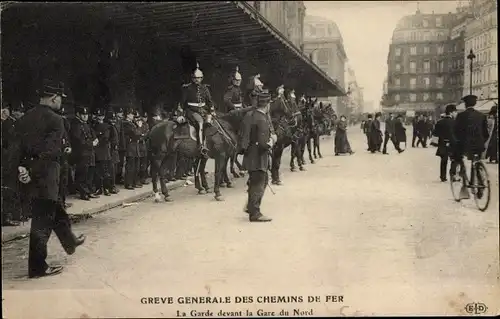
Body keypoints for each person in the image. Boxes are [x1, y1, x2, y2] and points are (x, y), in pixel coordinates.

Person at [7, 79, 85, 278]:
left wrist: (21, 169)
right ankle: (37, 267)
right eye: (60, 99)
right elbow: (50, 153)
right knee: (42, 223)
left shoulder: (24, 118)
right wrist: (32, 171)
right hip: (46, 176)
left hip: (28, 176)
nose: (61, 103)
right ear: (54, 98)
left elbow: (14, 149)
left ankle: (69, 241)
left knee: (55, 208)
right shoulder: (56, 120)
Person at [239, 90, 276, 222]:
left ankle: (250, 207)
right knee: (259, 182)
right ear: (267, 105)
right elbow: (262, 143)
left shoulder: (250, 115)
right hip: (259, 156)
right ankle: (255, 213)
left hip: (250, 155)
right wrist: (272, 141)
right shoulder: (262, 119)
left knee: (256, 181)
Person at [451, 95, 490, 195]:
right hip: (479, 145)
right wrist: (481, 141)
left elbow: (455, 131)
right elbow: (486, 134)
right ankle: (480, 182)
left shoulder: (461, 116)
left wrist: (457, 142)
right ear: (475, 104)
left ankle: (464, 181)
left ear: (465, 104)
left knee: (459, 158)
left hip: (465, 145)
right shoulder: (482, 115)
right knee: (476, 161)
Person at [179, 62, 215, 154]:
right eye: (195, 78)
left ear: (202, 78)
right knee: (200, 122)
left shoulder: (205, 88)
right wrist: (181, 113)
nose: (197, 80)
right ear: (192, 78)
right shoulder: (187, 88)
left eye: (199, 78)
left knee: (212, 121)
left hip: (203, 110)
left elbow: (209, 101)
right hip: (191, 111)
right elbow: (182, 103)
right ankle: (201, 146)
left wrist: (212, 110)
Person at [70, 106, 99, 201]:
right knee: (83, 174)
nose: (85, 116)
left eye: (86, 115)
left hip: (90, 153)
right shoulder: (76, 126)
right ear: (78, 114)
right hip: (82, 153)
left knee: (90, 172)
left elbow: (93, 135)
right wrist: (91, 143)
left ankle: (89, 191)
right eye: (83, 114)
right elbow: (79, 140)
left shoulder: (86, 124)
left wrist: (95, 140)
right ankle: (83, 193)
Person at [432, 104, 457, 182]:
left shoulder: (440, 122)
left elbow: (435, 133)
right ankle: (453, 175)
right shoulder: (454, 122)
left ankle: (443, 177)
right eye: (455, 112)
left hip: (442, 143)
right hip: (453, 144)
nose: (455, 113)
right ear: (451, 112)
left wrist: (435, 143)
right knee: (454, 159)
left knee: (443, 160)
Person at [92, 108, 113, 196]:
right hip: (96, 151)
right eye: (98, 116)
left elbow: (106, 138)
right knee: (97, 171)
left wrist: (98, 138)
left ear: (104, 117)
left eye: (101, 116)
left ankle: (106, 188)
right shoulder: (93, 126)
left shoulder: (107, 126)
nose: (100, 118)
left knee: (105, 171)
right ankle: (98, 188)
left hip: (104, 150)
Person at [122, 108, 141, 189]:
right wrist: (139, 127)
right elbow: (136, 134)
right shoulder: (127, 123)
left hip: (134, 146)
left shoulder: (132, 123)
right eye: (132, 114)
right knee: (130, 166)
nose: (133, 116)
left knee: (136, 166)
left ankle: (133, 182)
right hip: (130, 147)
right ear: (128, 115)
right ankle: (128, 183)